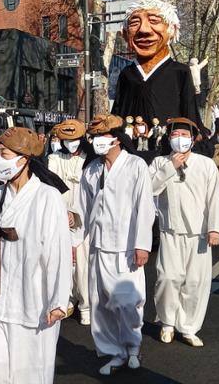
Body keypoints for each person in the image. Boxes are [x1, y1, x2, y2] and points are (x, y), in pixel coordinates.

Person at [0, 127, 72, 383]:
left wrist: (58, 301)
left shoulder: (48, 198)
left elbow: (58, 254)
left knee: (30, 372)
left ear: (23, 160)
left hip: (34, 302)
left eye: (4, 155)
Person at [78, 114, 155, 376]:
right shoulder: (91, 170)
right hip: (98, 246)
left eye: (101, 137)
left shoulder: (135, 166)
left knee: (127, 301)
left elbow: (145, 207)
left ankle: (133, 348)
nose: (97, 142)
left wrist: (142, 244)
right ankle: (113, 352)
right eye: (94, 138)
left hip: (126, 246)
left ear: (116, 138)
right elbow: (83, 209)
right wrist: (74, 240)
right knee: (102, 303)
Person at [149, 117, 219, 347]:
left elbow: (214, 198)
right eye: (175, 135)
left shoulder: (205, 164)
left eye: (184, 135)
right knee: (167, 278)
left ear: (193, 139)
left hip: (198, 234)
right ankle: (167, 322)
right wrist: (171, 167)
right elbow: (148, 189)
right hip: (170, 231)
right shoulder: (159, 163)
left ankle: (189, 326)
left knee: (195, 282)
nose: (179, 139)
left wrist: (214, 229)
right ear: (168, 137)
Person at [111, 0, 203, 133]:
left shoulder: (180, 72)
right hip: (131, 150)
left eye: (154, 21)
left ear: (172, 30)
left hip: (169, 150)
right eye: (135, 23)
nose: (144, 30)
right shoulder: (126, 74)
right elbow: (118, 113)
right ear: (125, 34)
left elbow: (190, 115)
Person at [47, 119, 91, 325]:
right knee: (63, 263)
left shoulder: (88, 158)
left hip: (83, 217)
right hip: (60, 215)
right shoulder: (54, 158)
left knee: (82, 265)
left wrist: (76, 213)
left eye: (74, 139)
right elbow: (52, 185)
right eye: (66, 139)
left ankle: (86, 305)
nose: (69, 143)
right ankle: (67, 300)